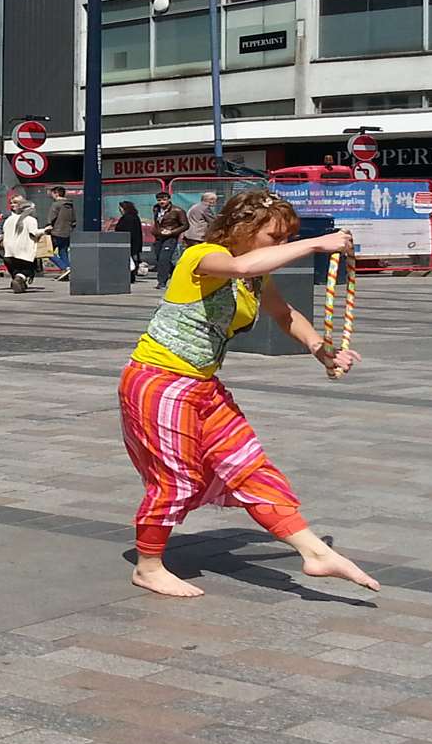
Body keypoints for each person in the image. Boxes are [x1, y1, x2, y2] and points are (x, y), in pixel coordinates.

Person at [120, 190, 380, 599]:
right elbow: (239, 266)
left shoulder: (256, 276)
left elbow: (284, 313)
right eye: (274, 237)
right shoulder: (200, 256)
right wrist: (315, 242)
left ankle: (313, 552)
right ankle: (149, 565)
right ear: (242, 229)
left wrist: (320, 351)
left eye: (285, 238)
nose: (280, 245)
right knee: (177, 479)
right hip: (158, 380)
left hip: (202, 385)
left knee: (249, 464)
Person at [1, 195, 43, 293]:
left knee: (16, 269)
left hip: (9, 251)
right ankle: (19, 279)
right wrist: (45, 230)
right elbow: (34, 232)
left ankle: (19, 282)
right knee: (28, 269)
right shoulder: (30, 220)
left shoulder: (9, 220)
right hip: (24, 251)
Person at [151, 192, 189, 289]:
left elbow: (185, 225)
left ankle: (162, 282)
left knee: (164, 259)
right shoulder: (156, 209)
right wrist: (155, 230)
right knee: (159, 258)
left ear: (169, 199)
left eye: (164, 199)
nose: (161, 202)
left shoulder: (177, 210)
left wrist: (172, 232)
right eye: (159, 200)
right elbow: (157, 222)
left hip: (170, 237)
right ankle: (176, 274)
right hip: (159, 236)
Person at [47, 186, 76, 279]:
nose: (51, 195)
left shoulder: (56, 204)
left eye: (52, 193)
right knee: (63, 252)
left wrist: (47, 227)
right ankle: (68, 271)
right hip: (67, 233)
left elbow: (51, 219)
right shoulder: (70, 205)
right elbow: (74, 221)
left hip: (56, 232)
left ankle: (65, 267)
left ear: (56, 193)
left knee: (47, 252)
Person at [115, 201, 144, 280]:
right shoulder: (134, 217)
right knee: (132, 261)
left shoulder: (127, 218)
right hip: (134, 243)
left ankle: (130, 277)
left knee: (128, 261)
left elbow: (126, 231)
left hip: (128, 243)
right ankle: (131, 276)